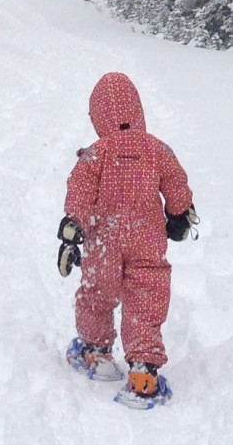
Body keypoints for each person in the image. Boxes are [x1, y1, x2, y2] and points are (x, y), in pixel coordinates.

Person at [58, 71, 197, 405]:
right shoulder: (157, 149)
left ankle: (97, 353)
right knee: (146, 298)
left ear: (99, 115)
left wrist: (72, 227)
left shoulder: (96, 153)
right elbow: (176, 183)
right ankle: (143, 372)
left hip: (103, 240)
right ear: (137, 110)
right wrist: (180, 214)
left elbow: (80, 191)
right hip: (147, 241)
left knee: (97, 292)